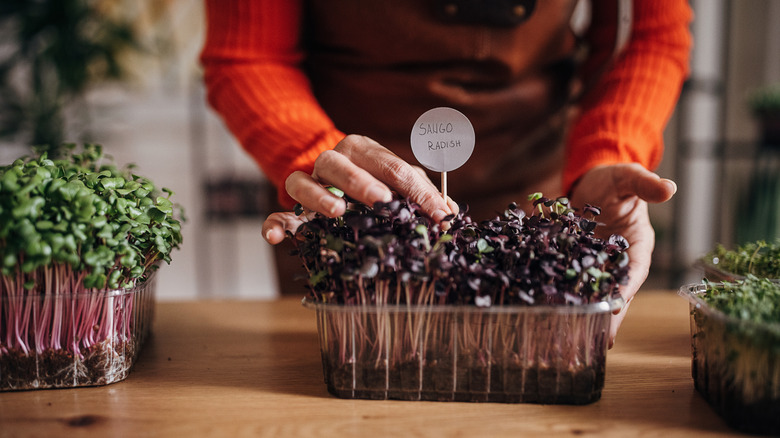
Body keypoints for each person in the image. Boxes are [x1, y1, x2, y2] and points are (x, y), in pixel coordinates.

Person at [200, 0, 692, 346]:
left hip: (543, 191)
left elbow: (649, 34)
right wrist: (314, 153)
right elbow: (248, 54)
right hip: (350, 211)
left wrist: (609, 152)